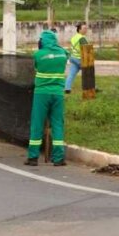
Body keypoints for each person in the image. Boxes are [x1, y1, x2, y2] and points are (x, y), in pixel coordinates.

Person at [26, 30, 69, 166]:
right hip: (58, 94)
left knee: (37, 124)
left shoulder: (38, 55)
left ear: (42, 41)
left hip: (41, 94)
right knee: (57, 124)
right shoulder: (62, 54)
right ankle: (58, 158)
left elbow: (36, 66)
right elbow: (66, 53)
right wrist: (56, 47)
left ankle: (33, 157)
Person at [64, 23, 89, 94]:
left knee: (71, 74)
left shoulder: (74, 37)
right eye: (84, 28)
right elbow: (86, 50)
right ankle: (92, 87)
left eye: (86, 28)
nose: (86, 30)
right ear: (79, 29)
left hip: (73, 58)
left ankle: (67, 88)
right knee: (88, 73)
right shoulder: (82, 38)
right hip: (79, 59)